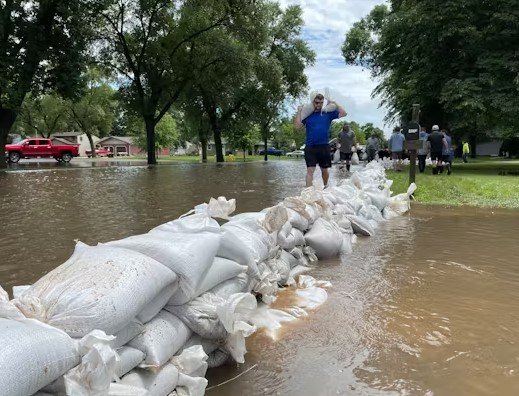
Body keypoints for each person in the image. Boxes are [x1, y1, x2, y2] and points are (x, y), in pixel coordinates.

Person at [294, 93, 347, 187]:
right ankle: (308, 192)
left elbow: (344, 113)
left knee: (324, 170)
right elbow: (297, 126)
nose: (318, 105)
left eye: (321, 103)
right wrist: (299, 111)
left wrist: (334, 102)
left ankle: (326, 187)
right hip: (310, 146)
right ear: (313, 102)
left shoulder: (327, 113)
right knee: (310, 170)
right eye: (316, 102)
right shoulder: (308, 114)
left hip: (324, 146)